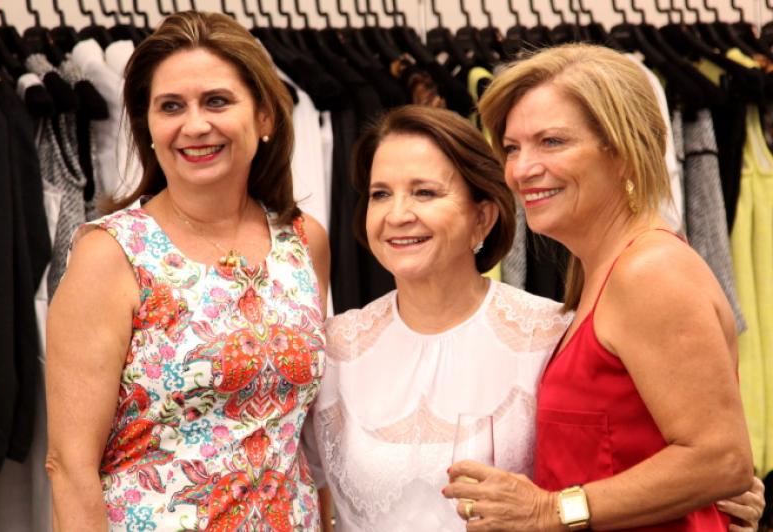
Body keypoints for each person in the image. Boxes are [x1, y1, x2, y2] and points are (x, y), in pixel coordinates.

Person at [443, 43, 761, 531]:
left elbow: (721, 459)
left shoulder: (650, 272)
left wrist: (551, 510)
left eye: (552, 142)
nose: (522, 169)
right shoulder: (603, 268)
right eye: (512, 147)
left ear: (623, 151)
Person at [45, 11, 329, 531]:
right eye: (171, 106)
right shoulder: (111, 255)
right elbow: (70, 467)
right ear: (149, 127)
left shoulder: (304, 240)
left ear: (265, 117)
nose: (194, 125)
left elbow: (310, 438)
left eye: (216, 101)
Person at [305, 104, 571, 532]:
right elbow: (306, 491)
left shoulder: (549, 336)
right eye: (380, 194)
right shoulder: (334, 346)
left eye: (424, 192)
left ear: (482, 217)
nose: (397, 215)